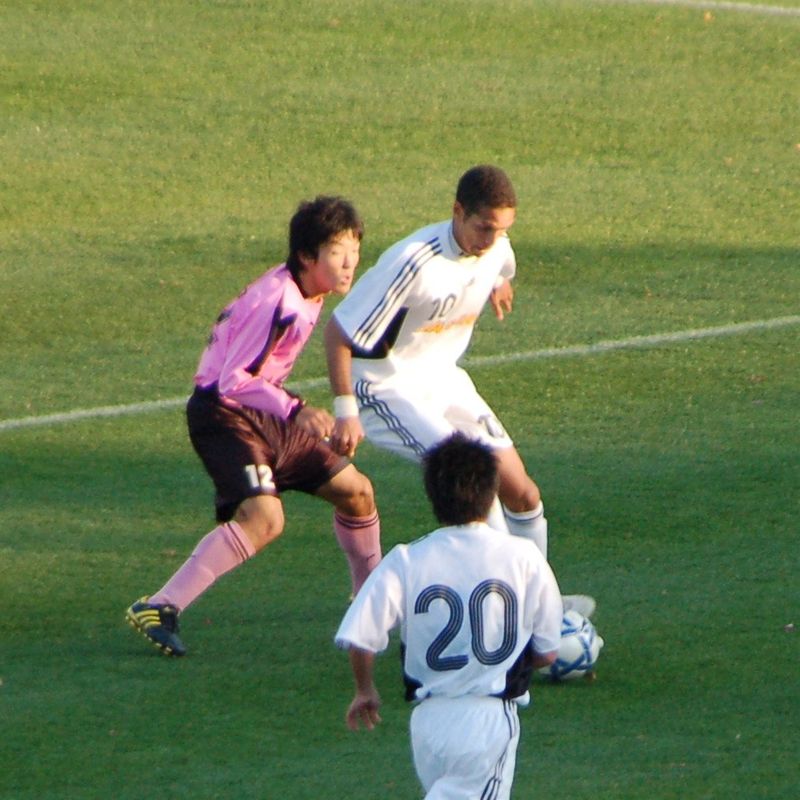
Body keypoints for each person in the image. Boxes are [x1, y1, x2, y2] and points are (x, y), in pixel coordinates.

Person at [324, 164, 593, 616]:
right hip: (386, 388)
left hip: (443, 379)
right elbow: (338, 331)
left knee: (523, 493)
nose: (493, 238)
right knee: (481, 499)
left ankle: (539, 604)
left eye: (502, 229)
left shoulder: (496, 246)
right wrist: (345, 410)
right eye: (484, 227)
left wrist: (499, 284)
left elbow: (501, 264)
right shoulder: (413, 262)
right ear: (457, 211)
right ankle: (505, 616)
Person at [126, 196, 382, 657]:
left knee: (357, 491)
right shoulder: (276, 299)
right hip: (223, 414)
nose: (350, 263)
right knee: (265, 519)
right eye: (338, 252)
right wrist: (297, 410)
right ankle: (160, 606)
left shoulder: (306, 291)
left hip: (262, 411)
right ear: (307, 256)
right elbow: (234, 380)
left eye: (355, 250)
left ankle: (371, 599)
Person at [336, 433, 562, 800]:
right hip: (486, 722)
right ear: (492, 492)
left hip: (428, 722)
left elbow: (360, 635)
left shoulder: (406, 558)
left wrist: (365, 689)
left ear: (433, 497)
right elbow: (547, 652)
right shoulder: (524, 557)